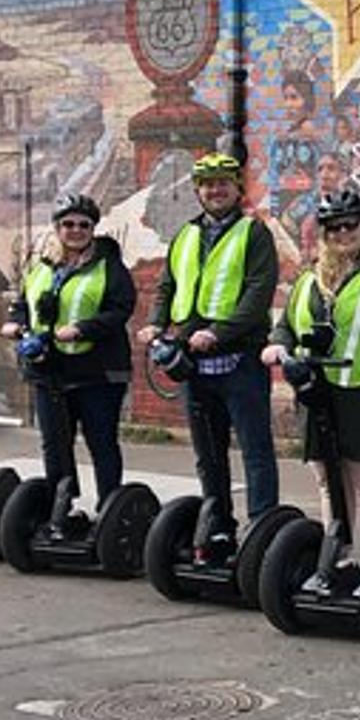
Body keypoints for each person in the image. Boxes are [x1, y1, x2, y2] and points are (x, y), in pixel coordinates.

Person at [262, 189, 360, 597]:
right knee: (327, 478)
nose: (342, 233)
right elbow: (288, 325)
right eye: (333, 228)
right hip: (318, 395)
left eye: (350, 225)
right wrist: (277, 345)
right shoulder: (310, 276)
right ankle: (341, 558)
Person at [138, 152, 282, 565]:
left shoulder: (253, 234)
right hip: (193, 361)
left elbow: (257, 293)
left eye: (223, 183)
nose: (214, 190)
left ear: (237, 188)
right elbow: (167, 286)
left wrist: (218, 332)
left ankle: (263, 534)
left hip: (239, 360)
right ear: (197, 191)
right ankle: (218, 525)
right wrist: (156, 323)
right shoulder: (186, 234)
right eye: (206, 184)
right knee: (208, 454)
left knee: (255, 450)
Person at [3, 193, 136, 509]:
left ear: (93, 229)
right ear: (57, 228)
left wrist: (83, 328)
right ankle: (62, 505)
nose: (75, 230)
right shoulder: (42, 266)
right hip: (49, 370)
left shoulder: (109, 266)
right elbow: (23, 303)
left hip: (97, 373)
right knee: (55, 444)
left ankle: (109, 510)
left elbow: (121, 309)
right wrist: (15, 323)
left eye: (83, 225)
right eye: (68, 224)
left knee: (101, 442)